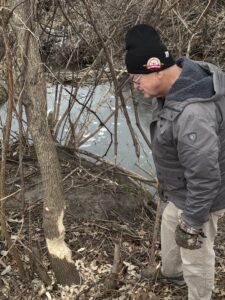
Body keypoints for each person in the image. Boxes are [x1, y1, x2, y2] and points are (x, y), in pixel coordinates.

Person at [125, 24, 225, 300]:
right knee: (170, 222)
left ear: (156, 69)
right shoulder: (173, 86)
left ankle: (199, 295)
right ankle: (172, 273)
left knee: (196, 254)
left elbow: (205, 176)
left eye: (137, 79)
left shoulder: (193, 113)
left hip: (202, 197)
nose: (136, 87)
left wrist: (193, 222)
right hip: (181, 190)